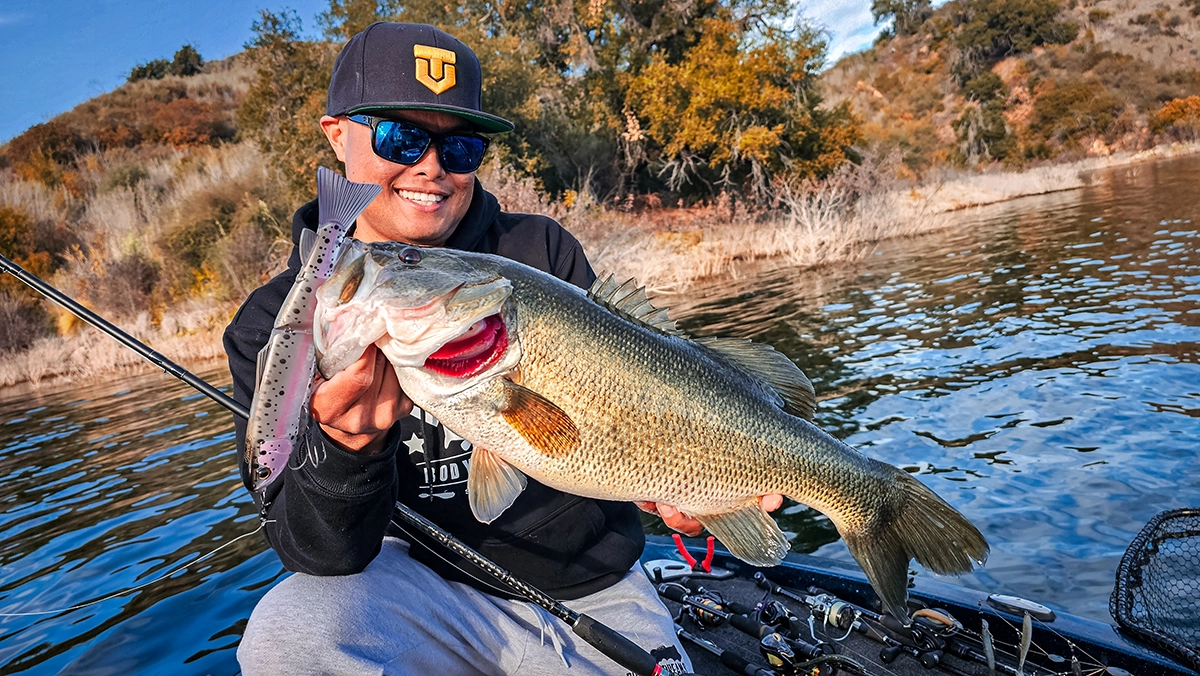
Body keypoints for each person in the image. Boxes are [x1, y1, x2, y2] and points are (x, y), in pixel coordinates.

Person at [224, 21, 779, 675]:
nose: (430, 166)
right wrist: (345, 454)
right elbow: (318, 555)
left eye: (459, 147)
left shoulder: (540, 255)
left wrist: (683, 487)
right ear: (336, 134)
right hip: (415, 592)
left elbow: (627, 409)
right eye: (400, 136)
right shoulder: (272, 327)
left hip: (591, 587)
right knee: (289, 634)